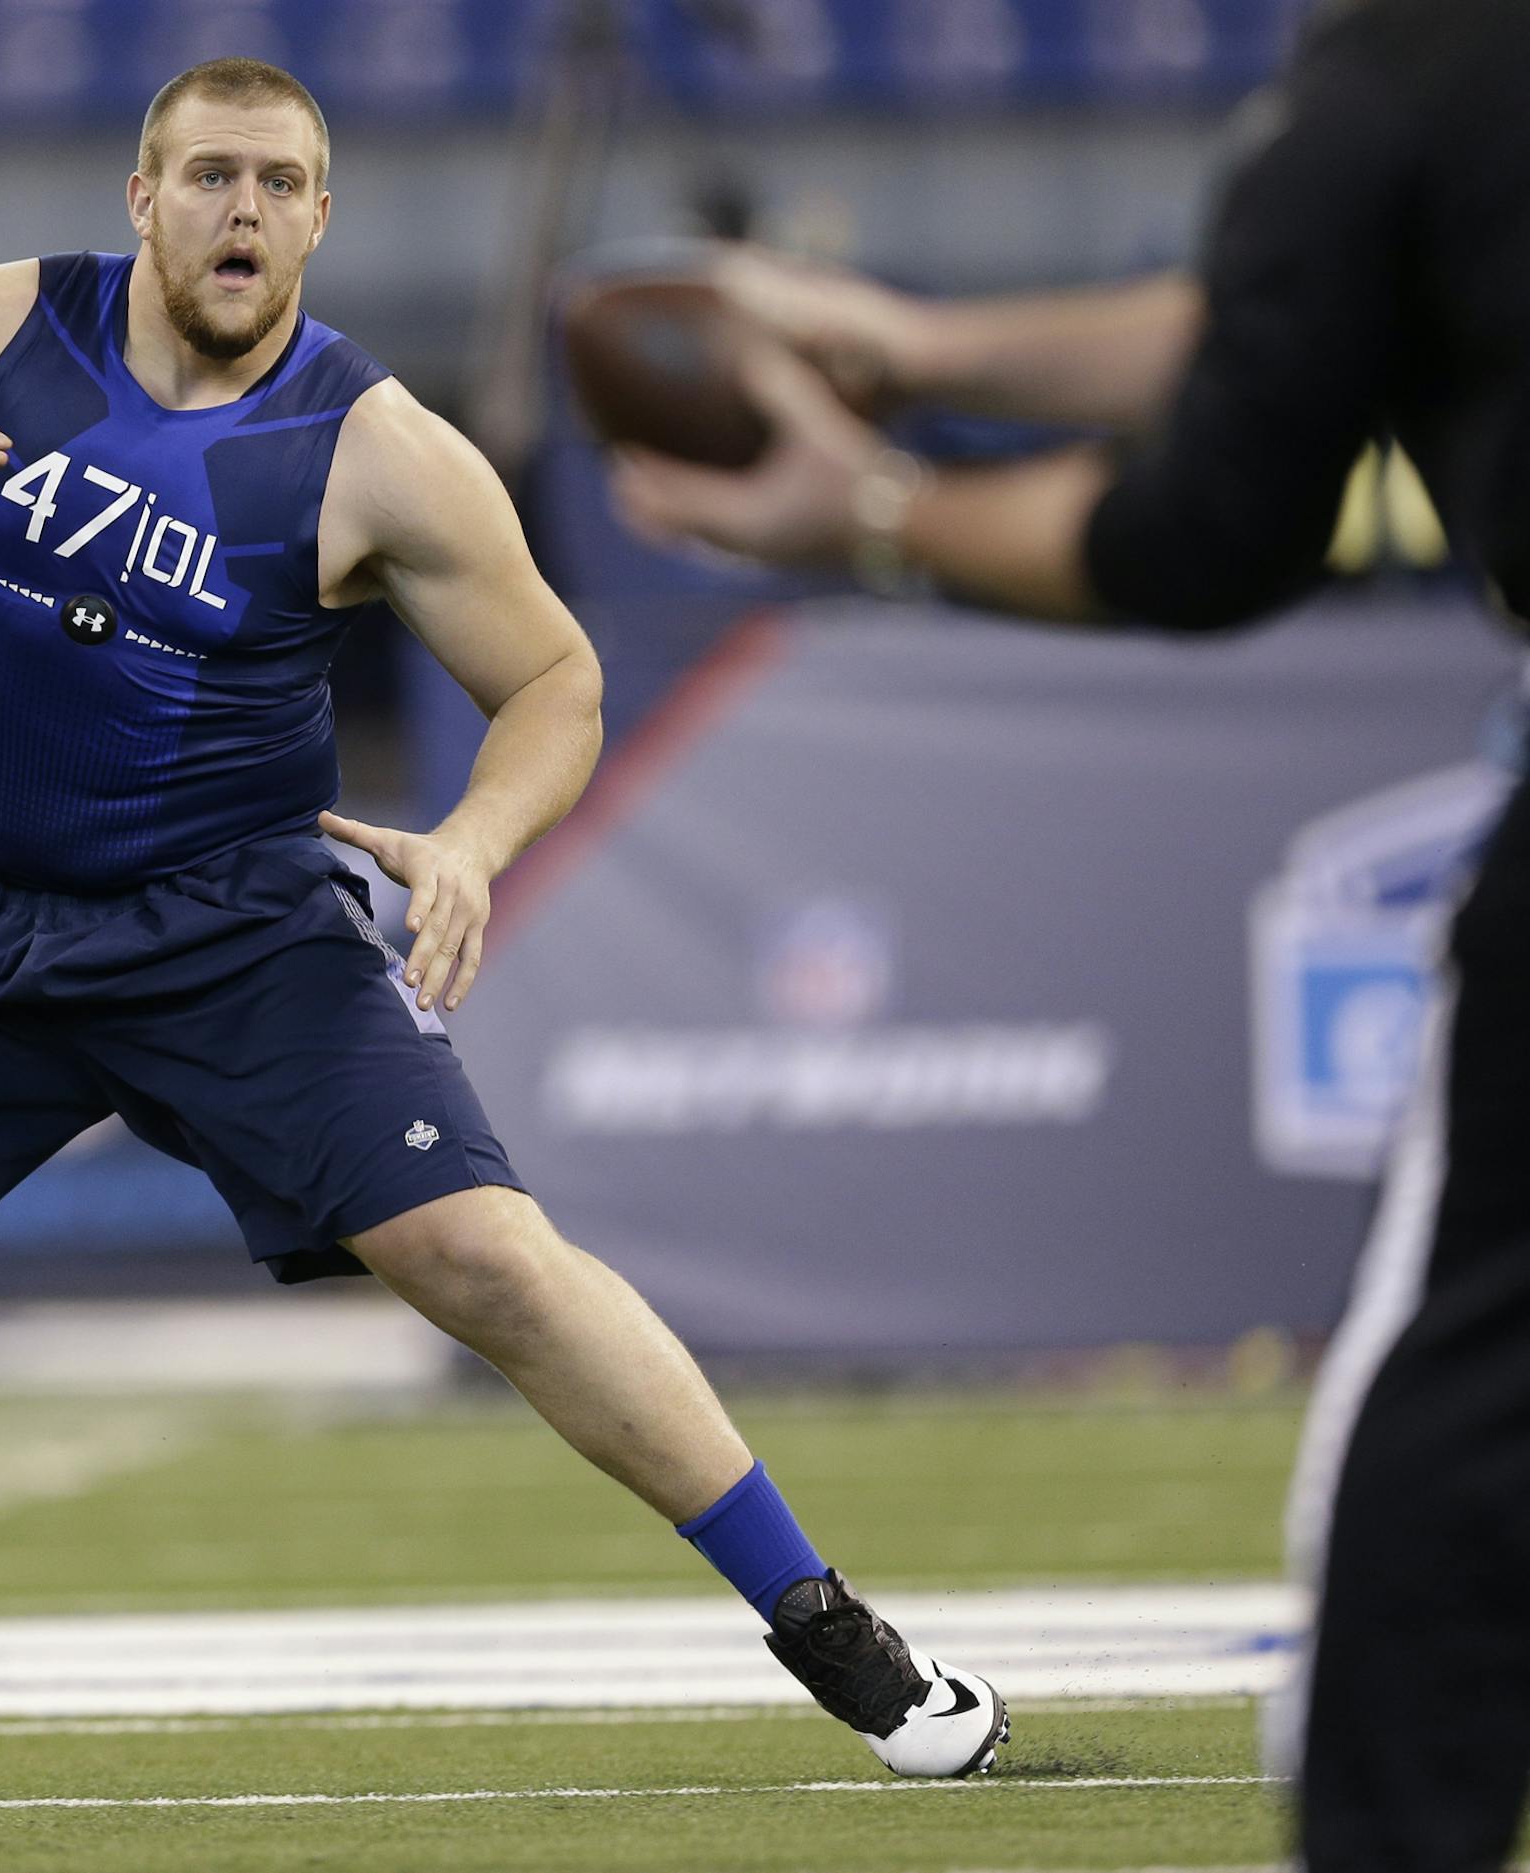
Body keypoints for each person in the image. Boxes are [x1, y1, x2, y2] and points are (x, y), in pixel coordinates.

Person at [0, 59, 1006, 1806]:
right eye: (210, 177)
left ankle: (834, 1632)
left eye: (282, 184)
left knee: (490, 1263)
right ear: (142, 197)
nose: (244, 213)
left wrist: (479, 842)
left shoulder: (376, 450)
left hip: (233, 928)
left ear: (322, 217)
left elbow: (557, 682)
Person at [607, 1, 1530, 1862]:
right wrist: (928, 345)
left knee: (1451, 1407)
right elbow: (1295, 317)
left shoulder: (1414, 69)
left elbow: (1210, 521)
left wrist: (875, 503)